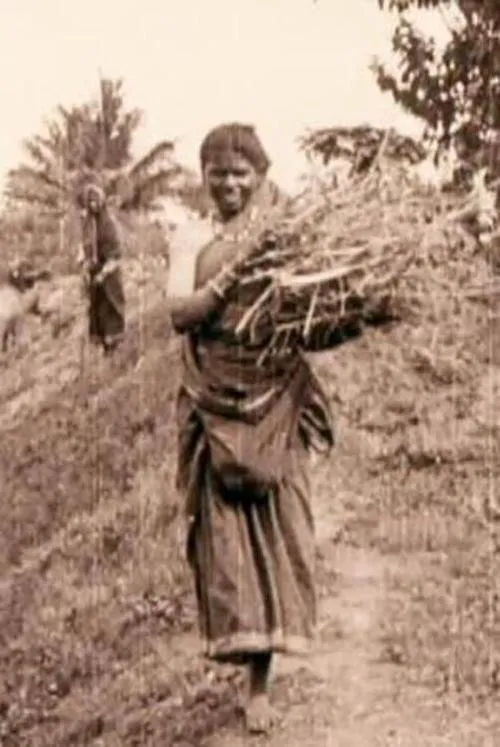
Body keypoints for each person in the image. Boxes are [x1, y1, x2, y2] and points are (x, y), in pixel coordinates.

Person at [167, 123, 335, 735]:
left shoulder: (280, 236)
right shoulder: (192, 237)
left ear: (260, 177)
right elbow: (177, 312)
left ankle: (260, 684)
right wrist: (228, 279)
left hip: (272, 407)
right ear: (203, 176)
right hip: (215, 408)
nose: (230, 183)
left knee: (274, 535)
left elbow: (312, 318)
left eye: (242, 173)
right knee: (227, 542)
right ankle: (243, 661)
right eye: (219, 172)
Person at [78, 183, 125, 353]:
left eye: (95, 201)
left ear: (102, 201)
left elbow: (116, 253)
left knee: (110, 307)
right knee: (95, 309)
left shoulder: (109, 224)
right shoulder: (88, 224)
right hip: (94, 272)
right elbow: (84, 246)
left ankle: (114, 347)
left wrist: (104, 273)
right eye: (89, 202)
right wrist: (84, 264)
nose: (93, 205)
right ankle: (103, 347)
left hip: (109, 274)